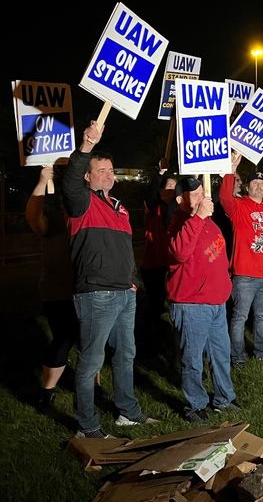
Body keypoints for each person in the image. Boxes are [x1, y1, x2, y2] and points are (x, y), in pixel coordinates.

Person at [62, 120, 158, 438]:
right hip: (96, 294)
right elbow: (70, 181)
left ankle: (127, 412)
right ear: (88, 176)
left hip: (124, 293)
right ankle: (87, 426)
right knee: (91, 360)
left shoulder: (119, 209)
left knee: (126, 353)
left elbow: (125, 252)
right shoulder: (81, 203)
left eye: (111, 170)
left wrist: (131, 281)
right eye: (100, 170)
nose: (108, 174)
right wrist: (86, 146)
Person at [166, 177, 239, 422]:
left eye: (202, 192)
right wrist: (197, 217)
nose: (203, 198)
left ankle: (224, 398)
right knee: (193, 359)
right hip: (191, 303)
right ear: (180, 200)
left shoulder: (208, 222)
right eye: (195, 195)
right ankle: (195, 404)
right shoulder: (178, 221)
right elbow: (179, 252)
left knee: (220, 354)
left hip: (216, 302)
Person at [25, 165, 79, 406]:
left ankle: (92, 386)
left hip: (86, 290)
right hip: (58, 291)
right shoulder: (53, 219)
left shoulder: (82, 213)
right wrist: (41, 182)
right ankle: (47, 391)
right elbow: (34, 219)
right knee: (63, 339)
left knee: (91, 342)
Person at [220, 152, 263, 367]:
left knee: (262, 317)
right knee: (240, 317)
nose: (259, 187)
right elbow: (225, 198)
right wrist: (230, 171)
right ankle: (237, 357)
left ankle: (261, 352)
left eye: (262, 184)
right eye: (254, 183)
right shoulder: (239, 206)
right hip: (244, 274)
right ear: (248, 187)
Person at [139, 158, 177, 348]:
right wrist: (160, 173)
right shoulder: (154, 208)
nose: (171, 191)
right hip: (154, 265)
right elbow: (150, 194)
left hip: (171, 264)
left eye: (174, 188)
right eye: (167, 187)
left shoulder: (178, 211)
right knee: (155, 305)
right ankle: (151, 339)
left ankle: (167, 338)